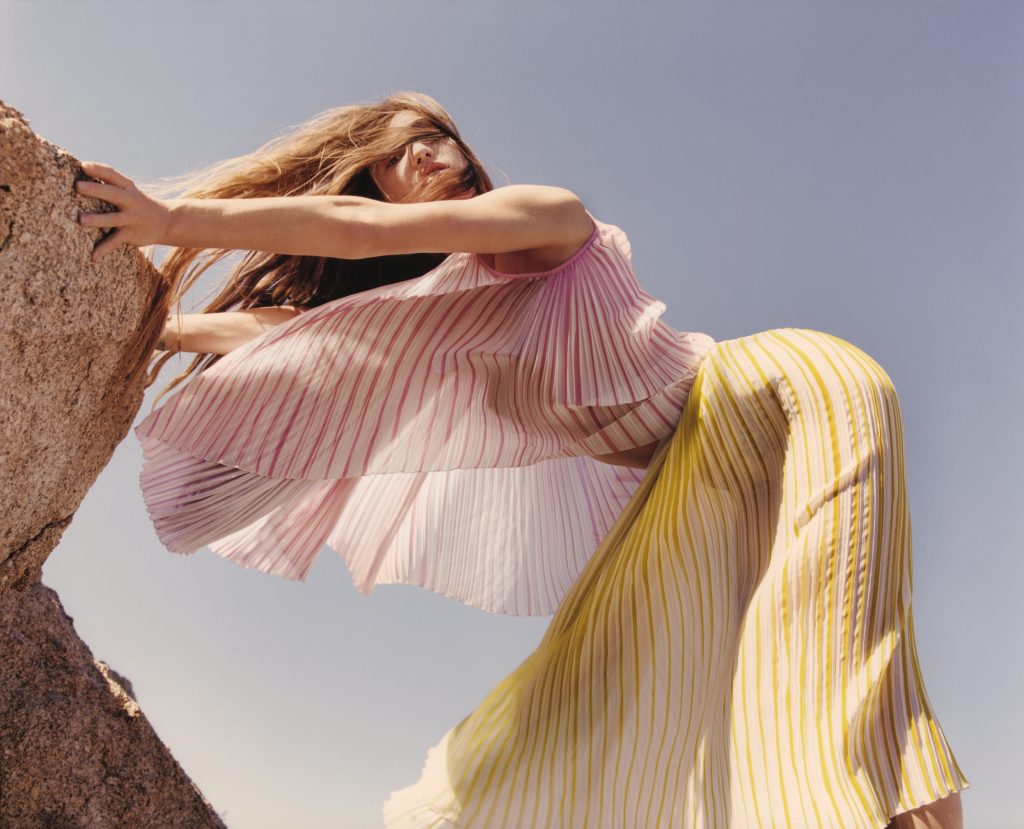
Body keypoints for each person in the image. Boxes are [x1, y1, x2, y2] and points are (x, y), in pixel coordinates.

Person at [76, 92, 969, 828]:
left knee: (841, 660)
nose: (431, 155)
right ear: (378, 183)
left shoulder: (546, 218)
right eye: (400, 155)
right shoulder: (444, 313)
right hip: (693, 475)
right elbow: (299, 334)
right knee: (595, 692)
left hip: (783, 396)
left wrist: (172, 219)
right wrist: (163, 327)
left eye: (440, 139)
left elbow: (353, 226)